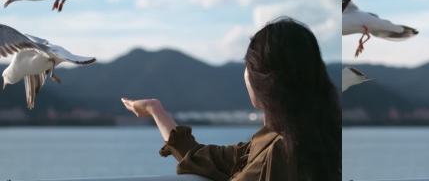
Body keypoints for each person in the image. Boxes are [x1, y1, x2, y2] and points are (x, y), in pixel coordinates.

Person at [121, 18, 342, 181]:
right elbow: (202, 156)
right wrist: (156, 110)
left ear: (263, 81)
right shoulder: (311, 136)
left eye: (248, 66)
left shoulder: (276, 155)